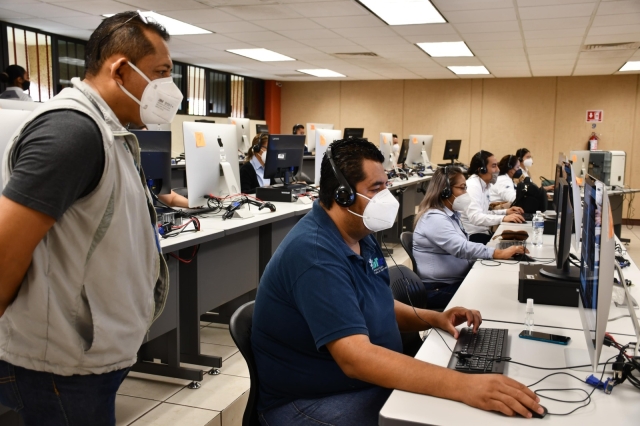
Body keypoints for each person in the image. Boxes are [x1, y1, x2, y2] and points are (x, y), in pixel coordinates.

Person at [251, 138, 544, 426]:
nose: (386, 197)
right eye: (376, 188)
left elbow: (377, 303)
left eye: (386, 185)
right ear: (342, 195)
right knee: (448, 408)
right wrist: (464, 386)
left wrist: (435, 318)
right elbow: (356, 358)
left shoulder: (361, 234)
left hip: (357, 385)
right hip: (310, 402)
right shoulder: (314, 254)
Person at [0, 11, 181, 425]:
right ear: (120, 68)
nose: (169, 89)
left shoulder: (107, 129)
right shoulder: (73, 132)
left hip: (86, 354)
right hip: (61, 362)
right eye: (161, 73)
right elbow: (5, 249)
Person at [413, 167, 528, 308]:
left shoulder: (451, 215)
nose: (466, 193)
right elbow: (461, 248)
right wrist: (498, 253)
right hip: (438, 289)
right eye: (462, 188)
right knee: (492, 295)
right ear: (445, 190)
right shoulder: (434, 218)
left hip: (453, 281)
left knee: (496, 284)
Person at [461, 150, 524, 244]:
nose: (498, 170)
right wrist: (503, 218)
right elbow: (475, 217)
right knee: (511, 247)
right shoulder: (473, 186)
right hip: (472, 237)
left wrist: (506, 212)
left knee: (515, 243)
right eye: (494, 166)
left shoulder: (485, 185)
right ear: (481, 169)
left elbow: (485, 212)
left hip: (482, 233)